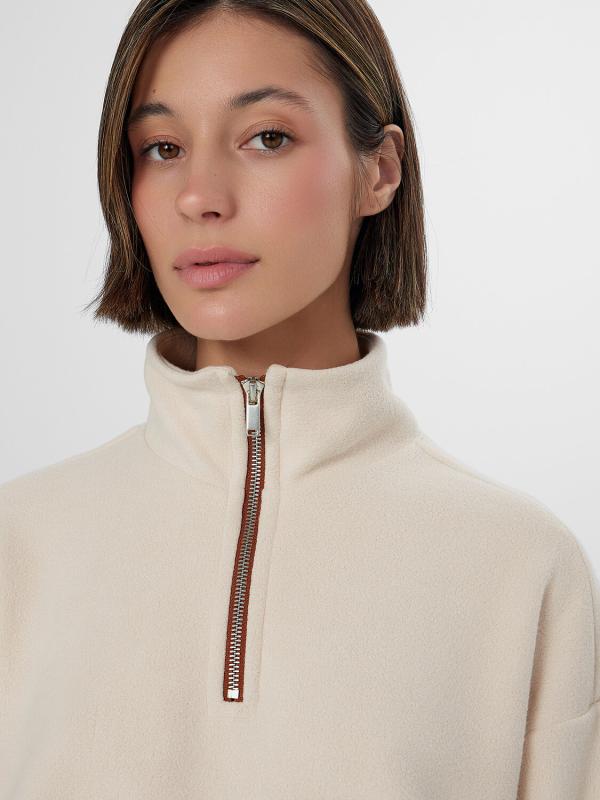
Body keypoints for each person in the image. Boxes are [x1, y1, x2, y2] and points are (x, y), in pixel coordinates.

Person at [1, 1, 598, 798]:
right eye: (163, 148)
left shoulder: (520, 566)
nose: (200, 196)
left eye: (267, 138)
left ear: (380, 171)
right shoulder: (21, 545)